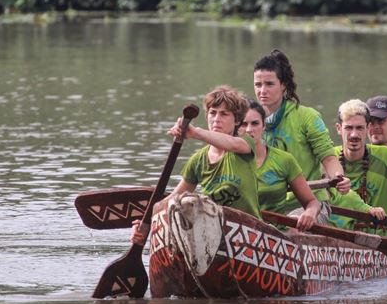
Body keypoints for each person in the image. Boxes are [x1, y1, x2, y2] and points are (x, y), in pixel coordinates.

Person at [132, 86, 261, 253]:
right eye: (213, 113)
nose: (216, 119)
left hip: (250, 235)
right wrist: (146, 222)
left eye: (224, 114)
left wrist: (195, 132)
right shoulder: (198, 160)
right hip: (213, 236)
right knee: (184, 204)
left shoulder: (245, 143)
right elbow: (172, 199)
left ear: (236, 121)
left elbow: (232, 144)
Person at [253, 49, 352, 200]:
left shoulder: (308, 117)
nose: (262, 91)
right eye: (258, 85)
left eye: (269, 84)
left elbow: (329, 158)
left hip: (307, 203)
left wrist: (339, 177)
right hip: (266, 204)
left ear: (283, 85)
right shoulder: (247, 121)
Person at [241, 100, 325, 230]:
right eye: (243, 124)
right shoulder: (224, 159)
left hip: (277, 233)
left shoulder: (284, 160)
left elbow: (312, 203)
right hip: (240, 230)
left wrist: (310, 213)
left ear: (264, 126)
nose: (249, 130)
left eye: (255, 123)